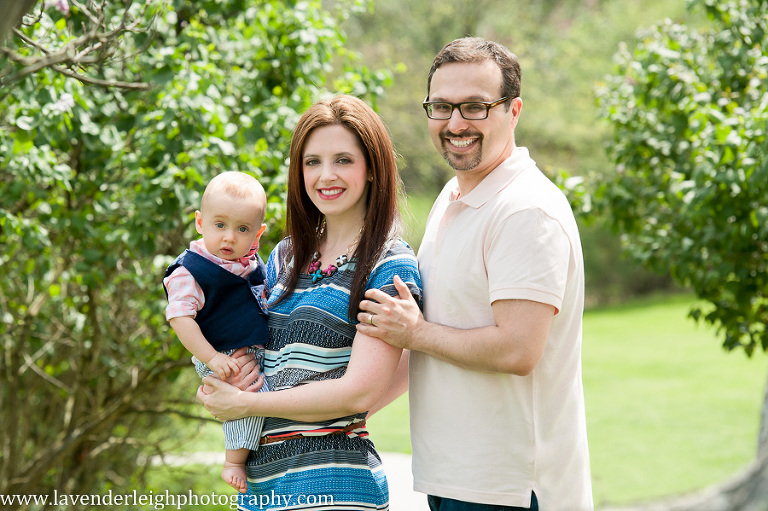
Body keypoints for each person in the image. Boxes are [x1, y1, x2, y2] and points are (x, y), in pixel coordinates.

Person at [356, 37, 594, 511]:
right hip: (456, 479)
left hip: (510, 488)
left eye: (475, 106)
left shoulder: (526, 210)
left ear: (514, 110)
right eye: (442, 106)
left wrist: (416, 332)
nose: (456, 123)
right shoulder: (454, 196)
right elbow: (437, 334)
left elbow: (518, 348)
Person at [196, 94, 422, 510]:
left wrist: (248, 404)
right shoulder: (282, 256)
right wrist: (219, 382)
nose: (326, 175)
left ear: (372, 169)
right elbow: (253, 351)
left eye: (343, 160)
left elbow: (358, 394)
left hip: (337, 487)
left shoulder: (388, 265)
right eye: (312, 161)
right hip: (263, 489)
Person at [163, 171, 270, 494]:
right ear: (200, 222)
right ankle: (234, 460)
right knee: (249, 398)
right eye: (219, 225)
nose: (229, 238)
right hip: (221, 351)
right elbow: (181, 319)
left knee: (264, 394)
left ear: (258, 233)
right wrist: (210, 357)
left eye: (242, 229)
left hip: (249, 347)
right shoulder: (190, 270)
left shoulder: (251, 263)